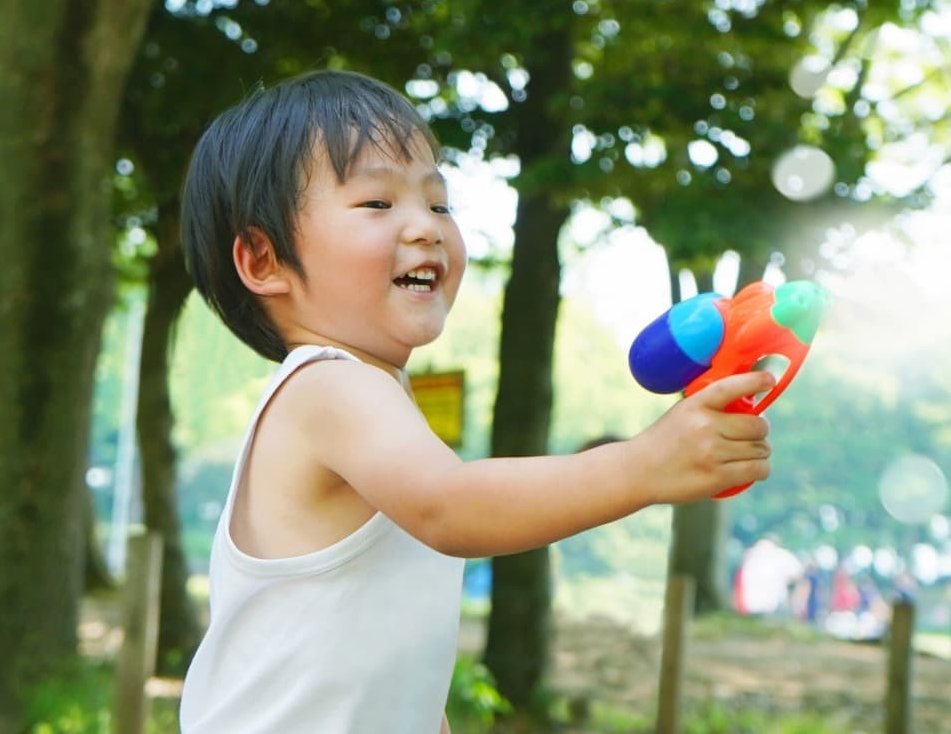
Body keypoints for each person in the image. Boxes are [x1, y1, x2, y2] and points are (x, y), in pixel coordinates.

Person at [175, 70, 774, 733]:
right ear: (264, 260)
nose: (425, 229)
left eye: (438, 205)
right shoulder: (326, 385)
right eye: (377, 204)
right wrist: (641, 468)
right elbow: (448, 505)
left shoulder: (375, 399)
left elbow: (389, 657)